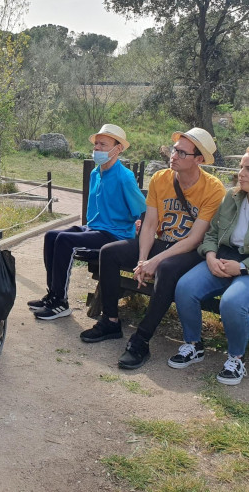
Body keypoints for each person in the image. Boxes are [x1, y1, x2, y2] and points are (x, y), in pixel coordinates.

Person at [80, 127, 225, 369]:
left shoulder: (213, 188)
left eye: (182, 152)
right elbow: (149, 225)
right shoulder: (161, 178)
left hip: (189, 252)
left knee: (166, 268)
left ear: (199, 159)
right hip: (160, 243)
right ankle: (111, 321)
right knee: (110, 252)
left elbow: (195, 239)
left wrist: (154, 262)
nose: (173, 155)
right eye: (174, 149)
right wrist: (142, 259)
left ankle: (141, 340)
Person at [29, 124, 146, 320]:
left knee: (65, 241)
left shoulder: (124, 177)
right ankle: (53, 296)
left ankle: (60, 303)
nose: (97, 149)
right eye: (96, 144)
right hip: (93, 228)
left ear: (118, 149)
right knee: (51, 236)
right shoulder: (95, 174)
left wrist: (139, 227)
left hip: (114, 235)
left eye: (103, 144)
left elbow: (142, 210)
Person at [171, 148, 249, 385]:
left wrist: (243, 268)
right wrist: (211, 256)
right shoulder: (231, 197)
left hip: (245, 266)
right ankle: (193, 345)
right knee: (185, 287)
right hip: (222, 257)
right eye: (242, 167)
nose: (241, 173)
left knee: (233, 303)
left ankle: (236, 358)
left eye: (248, 169)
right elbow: (212, 233)